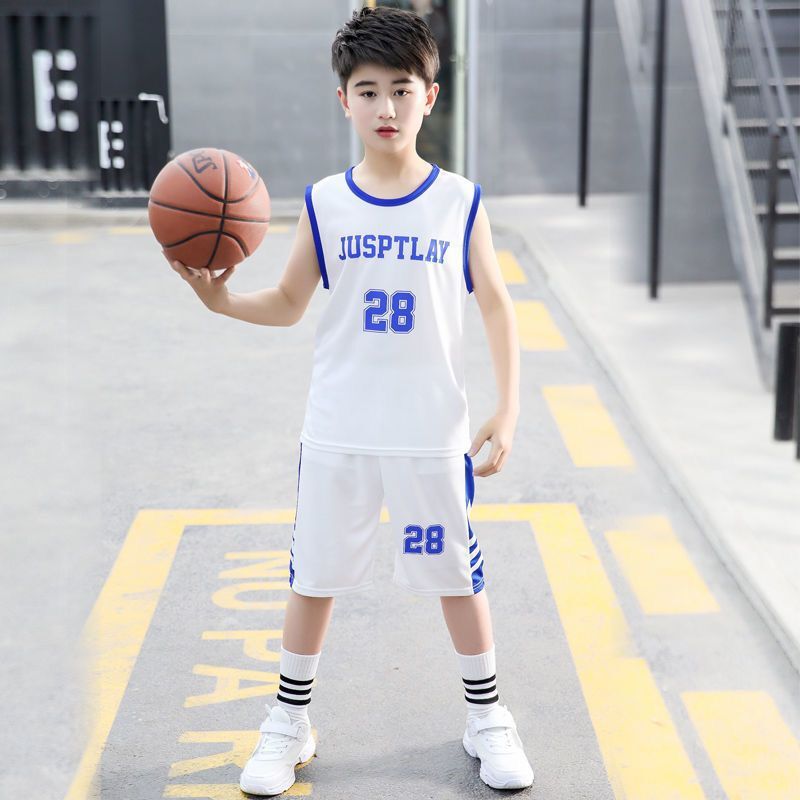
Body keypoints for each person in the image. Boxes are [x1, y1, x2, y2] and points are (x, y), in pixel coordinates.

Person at [165, 5, 534, 795]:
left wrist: (508, 409)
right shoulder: (326, 201)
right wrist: (222, 302)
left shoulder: (459, 201)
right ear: (344, 101)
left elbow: (499, 306)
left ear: (430, 96)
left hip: (430, 435)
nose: (386, 107)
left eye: (402, 89)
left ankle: (487, 716)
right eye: (368, 91)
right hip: (340, 432)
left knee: (457, 578)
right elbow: (290, 302)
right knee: (314, 578)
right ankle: (288, 720)